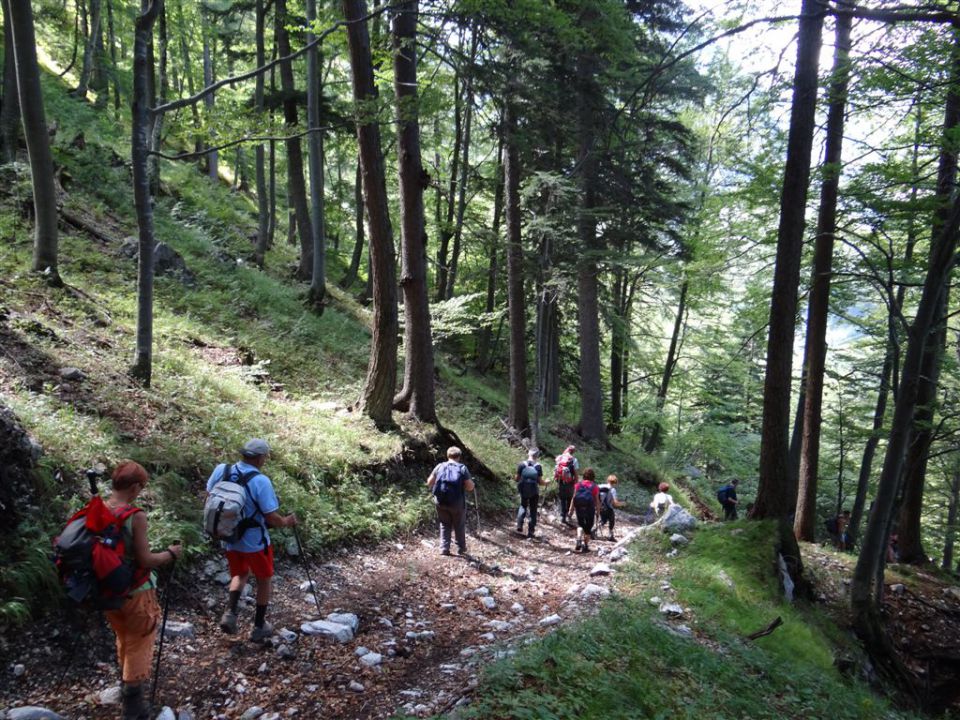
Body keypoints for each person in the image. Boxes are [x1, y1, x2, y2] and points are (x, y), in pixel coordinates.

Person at [102, 461, 181, 720]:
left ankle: (126, 685)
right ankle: (134, 706)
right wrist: (170, 554)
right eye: (141, 486)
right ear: (134, 487)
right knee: (140, 638)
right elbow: (146, 560)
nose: (140, 491)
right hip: (136, 589)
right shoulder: (135, 516)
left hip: (107, 589)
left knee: (123, 635)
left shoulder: (98, 508)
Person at [207, 438, 297, 642]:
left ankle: (230, 613)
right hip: (255, 541)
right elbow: (271, 517)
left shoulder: (222, 469)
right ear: (259, 457)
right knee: (264, 580)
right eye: (265, 456)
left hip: (229, 536)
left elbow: (210, 496)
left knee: (239, 574)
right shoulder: (260, 481)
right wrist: (287, 521)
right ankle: (259, 626)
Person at [427, 446, 475, 556]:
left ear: (448, 455)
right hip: (457, 502)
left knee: (444, 524)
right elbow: (469, 487)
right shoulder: (462, 468)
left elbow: (430, 482)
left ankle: (444, 548)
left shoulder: (439, 466)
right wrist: (472, 485)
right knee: (459, 524)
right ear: (459, 456)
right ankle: (461, 549)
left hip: (440, 501)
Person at [568, 467, 601, 552]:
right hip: (589, 508)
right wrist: (598, 511)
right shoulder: (595, 486)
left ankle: (579, 539)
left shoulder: (578, 484)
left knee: (580, 524)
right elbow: (597, 500)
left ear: (584, 476)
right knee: (588, 528)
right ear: (593, 476)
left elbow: (574, 497)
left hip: (579, 506)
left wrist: (571, 509)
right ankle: (585, 545)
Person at [515, 448, 545, 538]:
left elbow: (517, 478)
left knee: (523, 505)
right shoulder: (538, 466)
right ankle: (531, 531)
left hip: (523, 489)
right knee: (533, 510)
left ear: (529, 454)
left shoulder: (522, 464)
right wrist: (546, 482)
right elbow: (540, 482)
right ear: (537, 456)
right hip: (534, 490)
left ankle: (519, 525)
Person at [554, 445, 579, 525]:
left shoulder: (560, 458)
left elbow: (556, 468)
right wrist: (576, 483)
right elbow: (576, 473)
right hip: (570, 482)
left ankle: (562, 516)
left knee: (562, 499)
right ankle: (568, 516)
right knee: (569, 499)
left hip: (560, 481)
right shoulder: (574, 460)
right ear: (573, 452)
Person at [597, 474, 625, 540]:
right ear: (615, 482)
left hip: (600, 506)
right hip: (608, 508)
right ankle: (611, 535)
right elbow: (615, 503)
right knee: (612, 520)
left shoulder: (601, 486)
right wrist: (623, 504)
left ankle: (594, 530)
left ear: (608, 480)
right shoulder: (613, 490)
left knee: (603, 520)